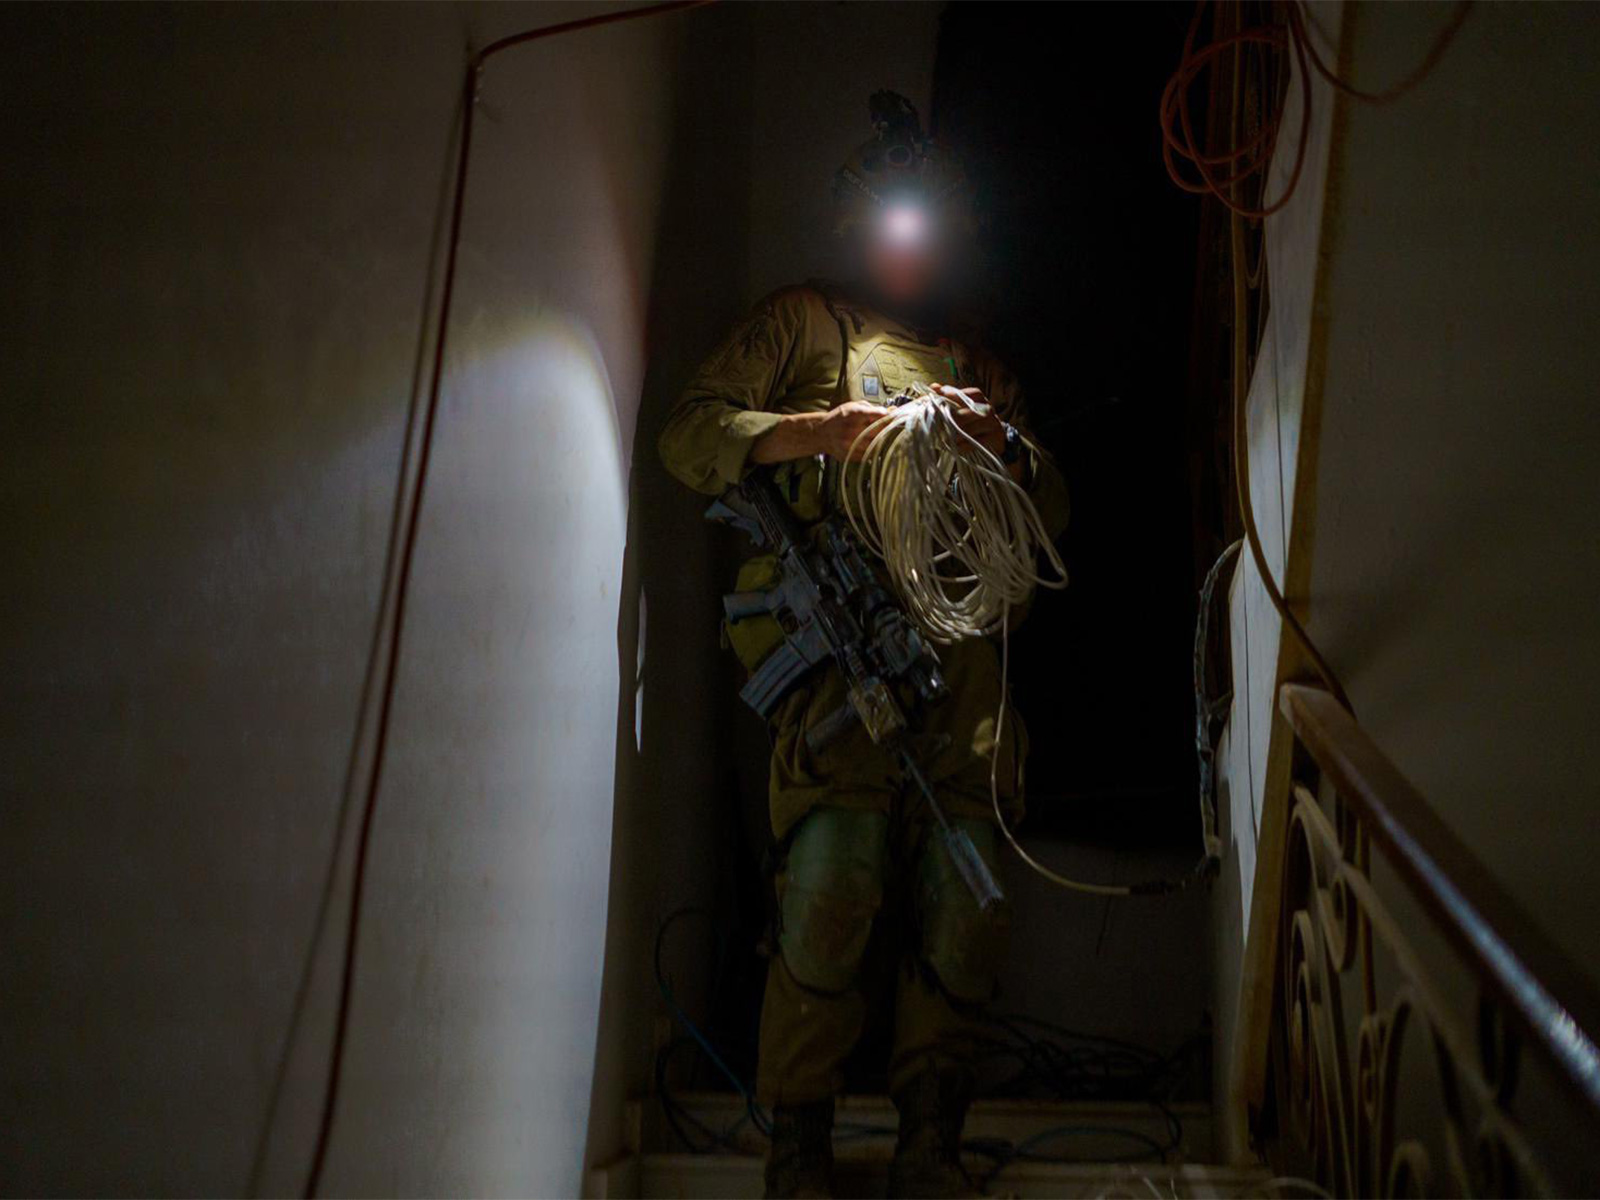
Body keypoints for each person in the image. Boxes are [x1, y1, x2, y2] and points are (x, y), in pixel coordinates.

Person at [657, 91, 1069, 1199]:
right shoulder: (799, 328)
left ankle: (932, 1135)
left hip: (962, 682)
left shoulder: (977, 369)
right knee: (829, 893)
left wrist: (1002, 453)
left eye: (925, 233)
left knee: (963, 902)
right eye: (890, 228)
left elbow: (1048, 524)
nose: (906, 251)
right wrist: (817, 432)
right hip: (841, 679)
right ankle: (798, 1141)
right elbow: (691, 436)